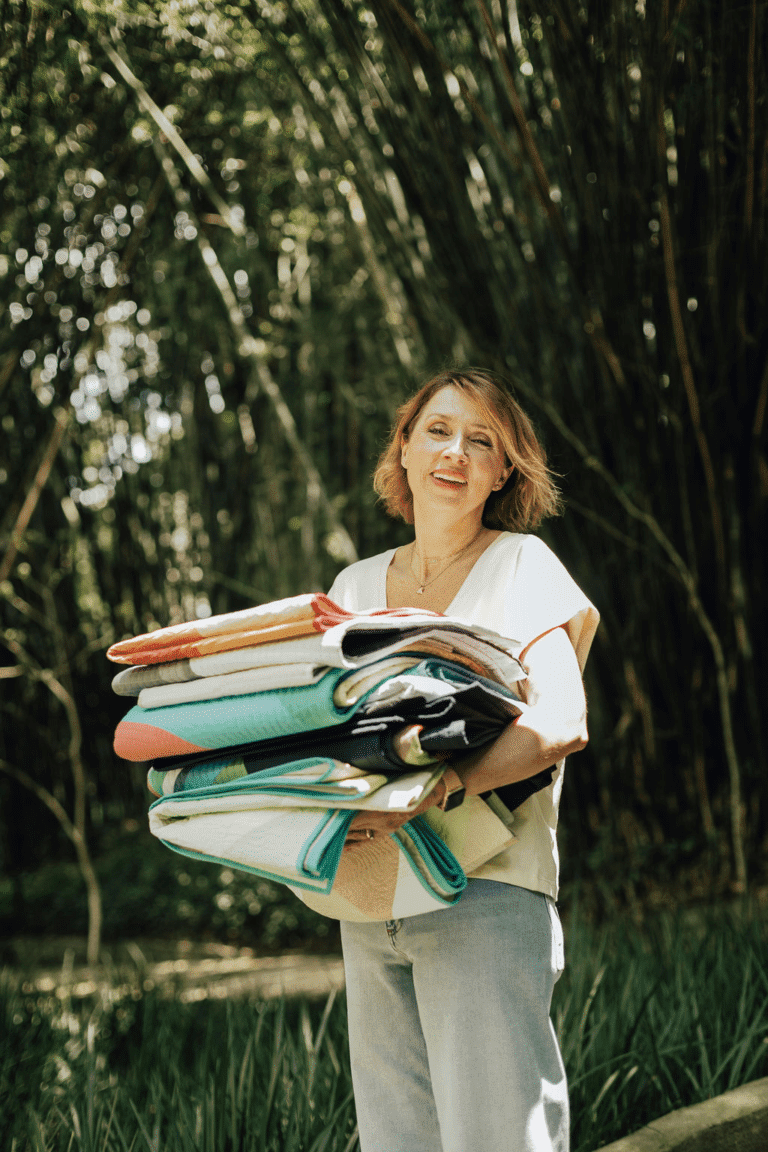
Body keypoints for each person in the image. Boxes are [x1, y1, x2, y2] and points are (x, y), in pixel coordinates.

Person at [326, 368, 599, 1152]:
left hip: (487, 886)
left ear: (503, 470)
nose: (456, 452)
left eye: (482, 441)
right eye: (439, 431)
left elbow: (562, 720)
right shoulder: (353, 586)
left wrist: (442, 784)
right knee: (396, 1136)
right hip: (370, 886)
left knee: (497, 1136)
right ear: (404, 448)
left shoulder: (522, 564)